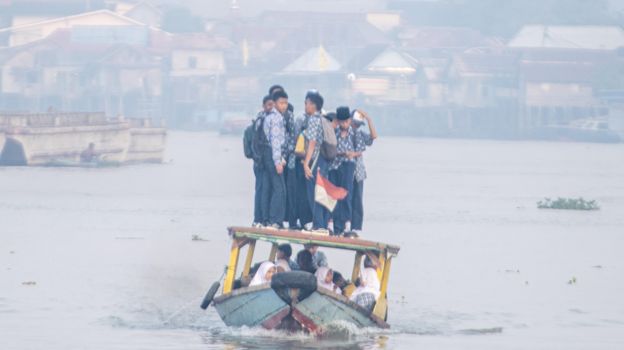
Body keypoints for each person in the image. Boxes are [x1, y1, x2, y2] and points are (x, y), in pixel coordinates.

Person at [329, 107, 365, 236]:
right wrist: (341, 153)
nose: (344, 124)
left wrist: (351, 154)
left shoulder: (355, 133)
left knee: (346, 196)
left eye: (346, 122)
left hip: (349, 166)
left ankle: (347, 225)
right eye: (342, 122)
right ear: (338, 121)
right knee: (334, 195)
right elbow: (331, 150)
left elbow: (360, 150)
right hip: (334, 166)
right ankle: (334, 225)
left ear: (349, 120)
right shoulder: (334, 132)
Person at [302, 91, 331, 232]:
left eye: (306, 103)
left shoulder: (313, 119)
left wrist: (306, 164)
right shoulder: (324, 119)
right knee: (322, 191)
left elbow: (312, 144)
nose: (305, 106)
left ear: (313, 105)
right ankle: (323, 224)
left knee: (314, 192)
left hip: (316, 159)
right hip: (325, 160)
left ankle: (318, 225)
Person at [261, 90, 289, 229]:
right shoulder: (277, 118)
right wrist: (278, 161)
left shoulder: (267, 116)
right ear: (275, 103)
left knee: (268, 188)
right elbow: (276, 142)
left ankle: (265, 219)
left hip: (266, 155)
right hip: (273, 156)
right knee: (280, 189)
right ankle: (275, 221)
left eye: (286, 103)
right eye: (281, 103)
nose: (284, 106)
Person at [248, 96, 274, 227]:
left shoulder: (261, 119)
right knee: (262, 190)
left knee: (262, 190)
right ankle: (261, 218)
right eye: (269, 105)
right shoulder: (262, 120)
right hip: (261, 162)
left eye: (272, 105)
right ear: (264, 105)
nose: (271, 107)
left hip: (260, 161)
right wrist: (260, 159)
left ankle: (260, 218)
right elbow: (257, 143)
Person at [351, 110, 377, 235]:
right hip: (346, 170)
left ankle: (355, 227)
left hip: (359, 171)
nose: (355, 126)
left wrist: (369, 120)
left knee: (357, 200)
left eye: (358, 124)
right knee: (346, 199)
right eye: (355, 123)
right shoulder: (344, 133)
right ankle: (344, 225)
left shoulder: (360, 133)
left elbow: (373, 137)